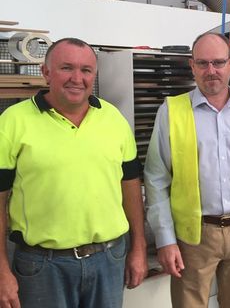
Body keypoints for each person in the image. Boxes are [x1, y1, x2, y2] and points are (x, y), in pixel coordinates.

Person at [0, 38, 148, 308]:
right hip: (42, 266)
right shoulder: (12, 122)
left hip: (109, 258)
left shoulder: (114, 119)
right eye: (66, 68)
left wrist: (138, 247)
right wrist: (1, 270)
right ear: (46, 72)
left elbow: (130, 186)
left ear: (94, 74)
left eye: (86, 70)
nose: (77, 78)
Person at [144, 32, 230, 308]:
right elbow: (156, 180)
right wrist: (165, 240)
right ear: (192, 66)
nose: (211, 71)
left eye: (218, 63)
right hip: (194, 237)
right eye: (203, 63)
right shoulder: (172, 111)